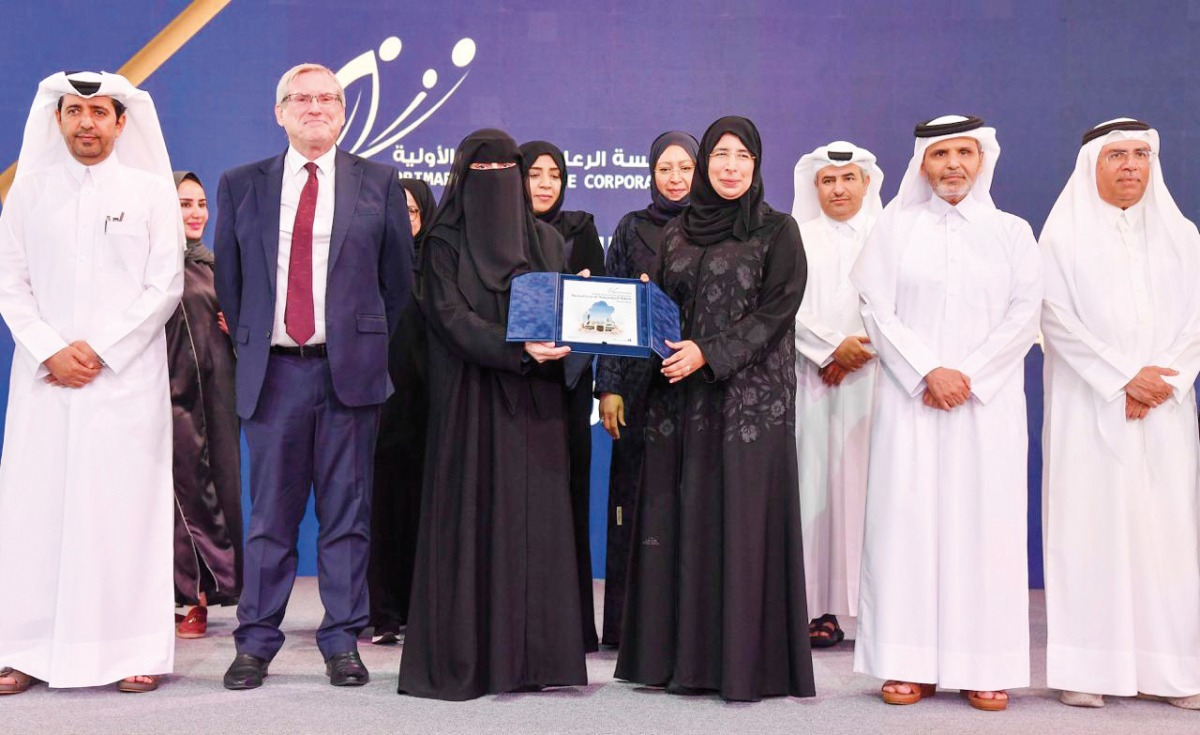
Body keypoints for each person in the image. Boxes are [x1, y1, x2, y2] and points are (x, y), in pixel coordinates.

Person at [214, 63, 412, 690]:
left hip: (347, 376)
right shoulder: (241, 183)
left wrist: (360, 344)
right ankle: (255, 642)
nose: (315, 107)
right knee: (270, 516)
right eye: (301, 98)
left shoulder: (377, 181)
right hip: (273, 375)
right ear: (279, 112)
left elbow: (397, 284)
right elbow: (230, 279)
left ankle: (341, 640)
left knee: (346, 515)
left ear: (344, 111)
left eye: (328, 98)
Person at [615, 116, 814, 702]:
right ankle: (681, 663)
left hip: (751, 405)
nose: (730, 166)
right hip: (681, 401)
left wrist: (710, 352)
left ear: (756, 165)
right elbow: (666, 311)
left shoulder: (779, 230)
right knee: (684, 524)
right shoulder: (677, 233)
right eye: (720, 155)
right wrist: (632, 321)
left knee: (741, 526)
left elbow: (777, 312)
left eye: (742, 156)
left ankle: (743, 666)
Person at [849, 115, 1042, 711]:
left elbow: (1025, 312)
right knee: (907, 526)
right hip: (913, 403)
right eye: (940, 155)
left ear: (982, 158)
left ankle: (984, 666)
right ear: (922, 164)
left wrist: (970, 375)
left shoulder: (1012, 231)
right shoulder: (894, 228)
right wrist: (929, 370)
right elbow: (876, 309)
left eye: (964, 152)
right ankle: (907, 663)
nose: (953, 164)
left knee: (985, 530)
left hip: (989, 405)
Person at [0, 71, 184, 694]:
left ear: (120, 121)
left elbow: (165, 287)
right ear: (57, 121)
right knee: (34, 511)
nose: (86, 123)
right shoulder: (27, 194)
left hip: (123, 385)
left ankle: (132, 650)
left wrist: (99, 352)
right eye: (74, 112)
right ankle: (24, 650)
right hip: (44, 379)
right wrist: (52, 350)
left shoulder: (152, 193)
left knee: (124, 515)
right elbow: (10, 284)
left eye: (98, 112)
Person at [398, 129, 588, 700]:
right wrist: (516, 347)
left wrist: (584, 321)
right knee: (471, 521)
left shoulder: (549, 243)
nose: (495, 186)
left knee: (532, 526)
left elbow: (564, 321)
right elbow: (450, 319)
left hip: (535, 410)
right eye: (482, 175)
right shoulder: (441, 244)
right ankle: (467, 659)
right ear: (461, 178)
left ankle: (534, 661)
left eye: (506, 172)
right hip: (468, 406)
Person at [1040, 118, 1200, 710]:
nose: (1131, 166)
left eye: (1140, 155)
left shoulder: (1184, 238)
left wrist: (1162, 379)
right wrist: (1120, 376)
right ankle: (1089, 667)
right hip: (1090, 407)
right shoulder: (1060, 239)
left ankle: (1174, 671)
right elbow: (1054, 319)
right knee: (1088, 528)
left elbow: (1197, 322)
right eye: (1117, 156)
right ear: (1093, 166)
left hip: (1165, 408)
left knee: (1168, 533)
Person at [595, 130, 698, 648]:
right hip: (638, 386)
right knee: (635, 501)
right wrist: (606, 386)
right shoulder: (631, 228)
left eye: (684, 168)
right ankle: (628, 627)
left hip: (697, 382)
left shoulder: (714, 226)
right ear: (651, 173)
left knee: (690, 499)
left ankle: (689, 623)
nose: (675, 178)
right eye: (665, 169)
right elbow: (609, 312)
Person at [789, 141, 884, 649]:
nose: (839, 189)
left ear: (866, 183)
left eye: (848, 179)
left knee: (876, 491)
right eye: (828, 181)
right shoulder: (795, 238)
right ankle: (818, 607)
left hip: (880, 383)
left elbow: (903, 307)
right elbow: (783, 306)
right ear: (815, 187)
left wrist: (858, 352)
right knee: (815, 489)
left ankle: (875, 607)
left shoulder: (891, 236)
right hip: (814, 382)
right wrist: (830, 350)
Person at [520, 139, 605, 653]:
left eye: (554, 173)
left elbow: (598, 311)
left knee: (567, 496)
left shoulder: (581, 228)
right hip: (513, 378)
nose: (546, 182)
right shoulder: (499, 229)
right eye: (535, 174)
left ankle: (572, 627)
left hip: (568, 385)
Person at [168, 170, 242, 640]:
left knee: (218, 487)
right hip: (169, 396)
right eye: (183, 204)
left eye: (200, 204)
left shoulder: (216, 266)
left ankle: (209, 592)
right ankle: (184, 596)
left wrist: (239, 326)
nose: (195, 213)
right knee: (180, 492)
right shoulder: (152, 268)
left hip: (218, 396)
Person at [367, 177, 437, 645]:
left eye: (413, 211)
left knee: (425, 508)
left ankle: (422, 608)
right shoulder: (366, 265)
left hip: (432, 409)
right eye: (398, 211)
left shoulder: (443, 268)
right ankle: (383, 612)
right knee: (380, 509)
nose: (405, 220)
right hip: (378, 407)